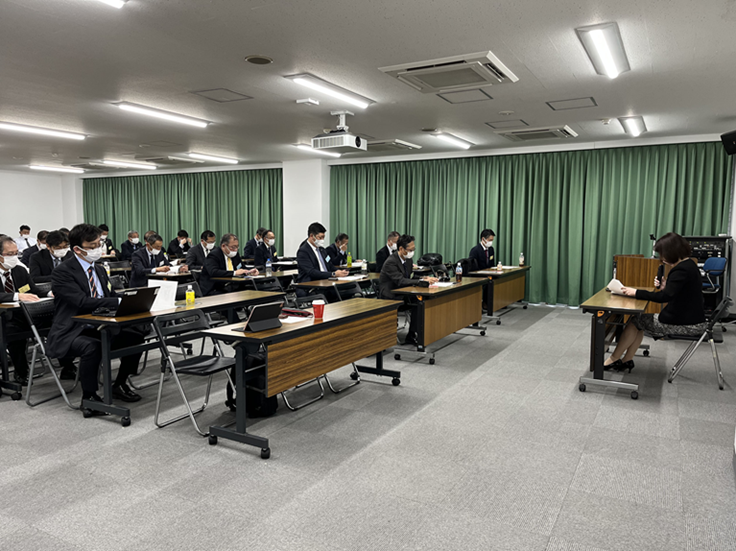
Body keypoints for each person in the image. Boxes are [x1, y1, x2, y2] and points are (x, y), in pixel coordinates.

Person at [46, 224, 146, 407]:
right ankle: (89, 397)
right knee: (92, 347)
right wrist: (116, 302)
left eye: (98, 244)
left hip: (101, 325)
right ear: (77, 249)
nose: (97, 249)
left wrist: (128, 300)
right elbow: (82, 302)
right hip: (73, 330)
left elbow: (110, 296)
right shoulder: (62, 272)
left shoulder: (99, 269)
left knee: (136, 337)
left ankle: (120, 383)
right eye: (92, 246)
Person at [608, 232, 708, 372]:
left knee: (636, 321)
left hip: (687, 324)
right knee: (639, 320)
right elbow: (675, 293)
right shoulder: (689, 265)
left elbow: (664, 297)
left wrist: (636, 292)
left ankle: (612, 359)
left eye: (663, 254)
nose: (662, 258)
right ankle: (626, 360)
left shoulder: (681, 270)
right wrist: (664, 287)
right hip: (692, 318)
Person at [0, 236, 65, 385]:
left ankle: (67, 366)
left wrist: (49, 293)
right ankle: (21, 373)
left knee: (57, 323)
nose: (14, 257)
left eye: (16, 253)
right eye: (9, 254)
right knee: (15, 335)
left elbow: (32, 289)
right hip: (5, 317)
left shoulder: (19, 271)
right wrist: (16, 296)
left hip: (24, 315)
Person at [379, 234, 438, 345]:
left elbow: (409, 278)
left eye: (413, 249)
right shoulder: (391, 261)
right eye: (410, 250)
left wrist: (424, 278)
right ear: (401, 249)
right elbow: (400, 281)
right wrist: (420, 282)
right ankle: (413, 335)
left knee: (421, 301)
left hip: (403, 292)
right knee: (418, 301)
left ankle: (414, 334)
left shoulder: (408, 260)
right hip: (390, 296)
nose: (412, 252)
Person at [296, 223, 348, 291]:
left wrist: (338, 271)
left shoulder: (322, 250)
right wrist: (333, 274)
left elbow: (330, 265)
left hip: (326, 281)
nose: (322, 240)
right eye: (320, 237)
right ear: (311, 236)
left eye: (323, 237)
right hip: (311, 286)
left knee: (347, 288)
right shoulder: (303, 251)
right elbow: (312, 272)